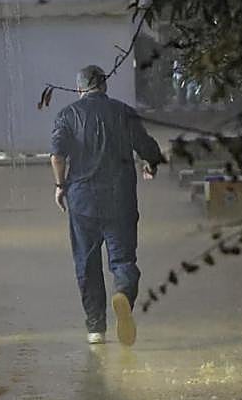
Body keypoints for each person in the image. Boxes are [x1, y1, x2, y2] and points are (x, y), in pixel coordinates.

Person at [50, 65, 165, 346]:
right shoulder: (124, 112)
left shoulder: (67, 115)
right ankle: (123, 294)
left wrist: (60, 186)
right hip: (120, 199)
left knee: (87, 264)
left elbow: (57, 156)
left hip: (82, 200)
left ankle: (95, 329)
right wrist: (152, 163)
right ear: (104, 86)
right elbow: (146, 145)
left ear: (79, 89)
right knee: (123, 260)